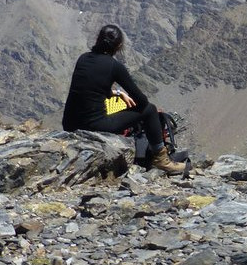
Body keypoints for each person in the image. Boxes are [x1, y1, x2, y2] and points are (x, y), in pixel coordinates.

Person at [62, 24, 186, 175]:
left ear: (98, 39)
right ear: (119, 46)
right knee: (150, 110)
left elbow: (92, 86)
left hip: (69, 124)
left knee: (125, 107)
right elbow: (142, 101)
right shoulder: (114, 66)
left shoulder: (83, 58)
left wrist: (117, 93)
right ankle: (162, 160)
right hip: (93, 125)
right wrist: (128, 101)